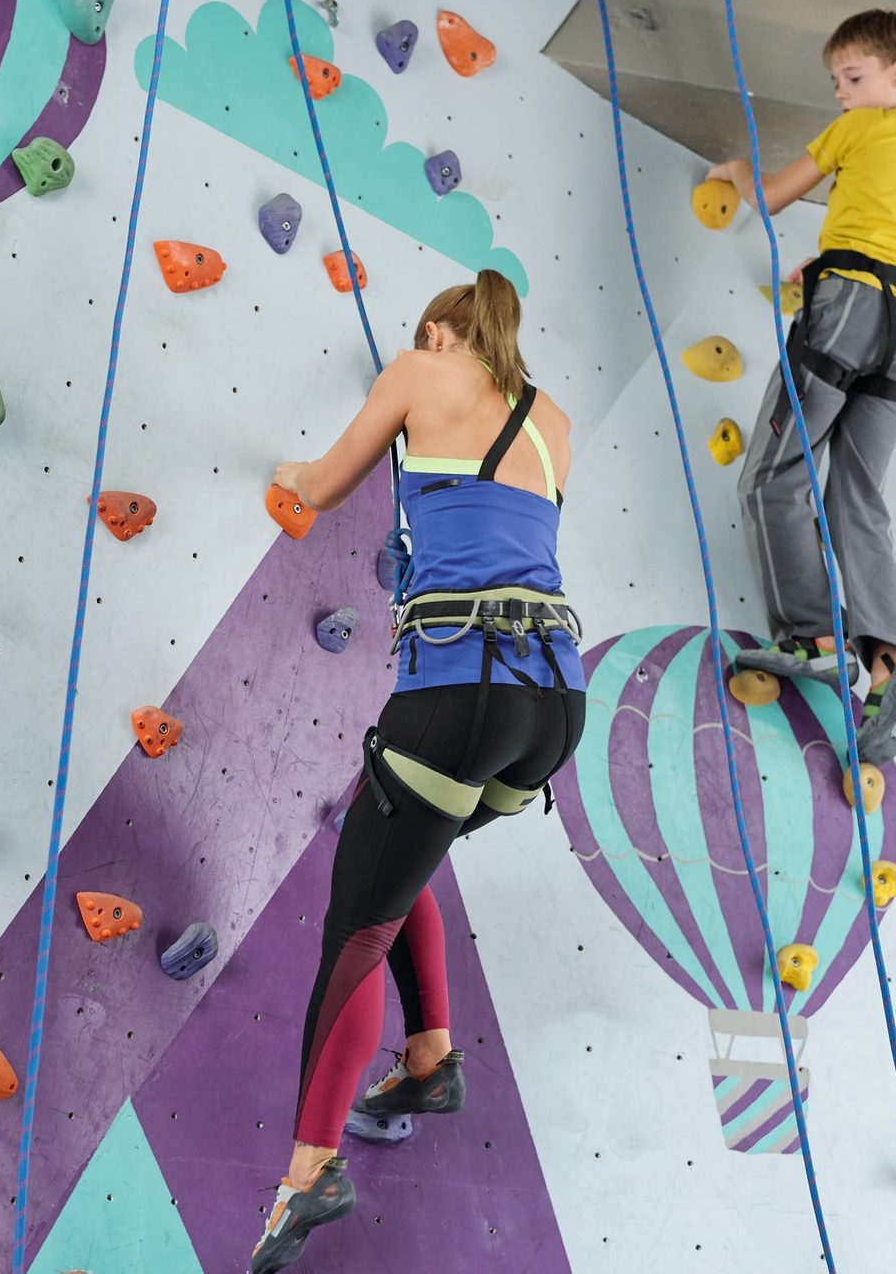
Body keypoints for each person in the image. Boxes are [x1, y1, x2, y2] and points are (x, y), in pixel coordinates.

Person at [249, 269, 587, 1273]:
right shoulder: (555, 422)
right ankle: (430, 1057)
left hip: (460, 694)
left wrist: (274, 468)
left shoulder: (420, 366)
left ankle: (309, 1172)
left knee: (358, 923)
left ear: (443, 330)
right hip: (552, 709)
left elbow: (315, 485)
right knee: (402, 843)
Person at [712, 10, 896, 760]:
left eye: (852, 79)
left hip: (848, 305)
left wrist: (733, 176)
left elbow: (773, 195)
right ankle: (887, 663)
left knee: (769, 474)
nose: (842, 94)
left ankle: (813, 637)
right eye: (836, 84)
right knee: (857, 493)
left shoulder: (860, 129)